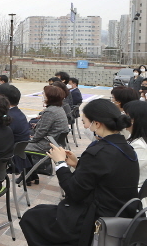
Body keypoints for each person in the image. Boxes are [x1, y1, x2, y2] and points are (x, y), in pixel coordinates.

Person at [20, 99, 139, 246]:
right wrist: (78, 164)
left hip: (94, 220)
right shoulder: (127, 149)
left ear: (97, 124)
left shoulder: (98, 152)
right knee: (41, 212)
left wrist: (60, 164)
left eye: (85, 123)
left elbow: (74, 192)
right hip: (117, 213)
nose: (85, 127)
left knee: (31, 217)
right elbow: (104, 176)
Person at [24, 86, 70, 185]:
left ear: (50, 97)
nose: (43, 96)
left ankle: (27, 175)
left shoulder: (50, 111)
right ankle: (31, 175)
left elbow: (40, 133)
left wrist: (31, 139)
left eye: (44, 94)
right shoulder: (58, 109)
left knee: (19, 147)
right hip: (56, 143)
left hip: (47, 145)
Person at [123, 100, 147, 193]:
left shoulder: (140, 146)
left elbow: (125, 171)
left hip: (133, 194)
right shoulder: (133, 137)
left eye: (127, 116)